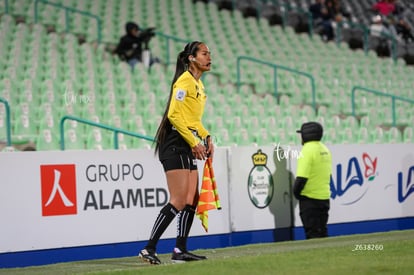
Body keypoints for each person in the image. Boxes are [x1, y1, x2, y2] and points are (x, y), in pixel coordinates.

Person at [138, 41, 213, 264]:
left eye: (209, 54)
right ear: (191, 58)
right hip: (174, 143)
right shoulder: (184, 82)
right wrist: (194, 142)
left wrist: (207, 136)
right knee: (179, 200)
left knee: (192, 199)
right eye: (204, 53)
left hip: (184, 143)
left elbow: (193, 120)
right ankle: (148, 248)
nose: (209, 57)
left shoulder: (198, 85)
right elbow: (173, 115)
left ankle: (180, 250)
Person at [293, 122, 332, 239]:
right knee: (322, 231)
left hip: (310, 199)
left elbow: (301, 178)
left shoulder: (306, 150)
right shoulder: (325, 149)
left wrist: (296, 194)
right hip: (324, 198)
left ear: (306, 135)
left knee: (312, 234)